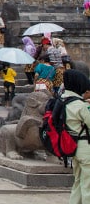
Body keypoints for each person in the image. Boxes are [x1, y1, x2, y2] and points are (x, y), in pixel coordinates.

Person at [62, 70, 90, 203]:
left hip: (73, 145)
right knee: (88, 185)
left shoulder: (63, 101)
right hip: (85, 148)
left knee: (78, 182)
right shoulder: (81, 105)